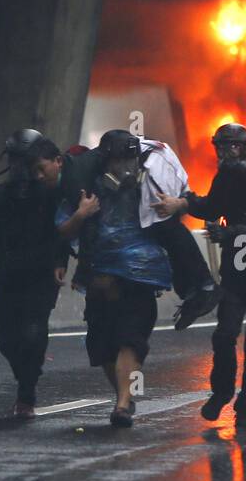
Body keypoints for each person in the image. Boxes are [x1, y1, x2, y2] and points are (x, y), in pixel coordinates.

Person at [152, 122, 246, 430]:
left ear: (244, 149)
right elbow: (212, 206)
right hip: (238, 271)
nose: (223, 153)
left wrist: (230, 232)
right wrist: (185, 201)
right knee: (224, 334)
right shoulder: (226, 178)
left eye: (230, 147)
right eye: (219, 147)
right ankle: (221, 393)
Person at [61, 130, 171, 428]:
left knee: (130, 339)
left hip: (139, 280)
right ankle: (123, 394)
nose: (126, 168)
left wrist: (173, 205)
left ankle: (123, 404)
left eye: (130, 161)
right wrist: (82, 215)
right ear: (105, 161)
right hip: (100, 279)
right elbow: (63, 232)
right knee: (103, 347)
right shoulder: (87, 191)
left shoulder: (148, 188)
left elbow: (171, 225)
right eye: (119, 161)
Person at [56, 136, 220, 330]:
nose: (121, 168)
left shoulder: (156, 166)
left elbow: (172, 209)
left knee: (162, 224)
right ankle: (193, 292)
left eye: (125, 162)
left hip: (165, 189)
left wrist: (176, 204)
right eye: (115, 163)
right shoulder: (89, 170)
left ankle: (204, 286)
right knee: (159, 228)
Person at [0, 129, 71, 418]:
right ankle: (24, 377)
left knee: (33, 331)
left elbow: (64, 229)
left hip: (41, 274)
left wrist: (59, 260)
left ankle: (27, 390)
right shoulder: (5, 194)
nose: (21, 169)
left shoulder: (52, 192)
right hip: (10, 273)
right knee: (7, 339)